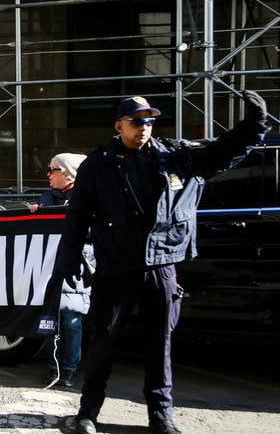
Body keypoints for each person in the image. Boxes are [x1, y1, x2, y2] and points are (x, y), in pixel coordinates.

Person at [56, 92, 271, 434]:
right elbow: (77, 216)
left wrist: (254, 124)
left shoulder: (176, 156)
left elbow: (223, 154)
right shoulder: (98, 165)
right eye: (136, 121)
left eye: (149, 120)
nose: (144, 127)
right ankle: (88, 412)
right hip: (116, 265)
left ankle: (161, 416)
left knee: (160, 344)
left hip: (161, 265)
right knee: (103, 340)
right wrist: (68, 260)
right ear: (119, 125)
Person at [30, 153, 91, 389]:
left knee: (72, 320)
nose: (48, 174)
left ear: (67, 173)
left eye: (52, 169)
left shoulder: (87, 196)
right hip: (50, 268)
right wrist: (34, 215)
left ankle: (69, 368)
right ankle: (52, 367)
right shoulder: (47, 196)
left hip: (76, 268)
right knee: (50, 320)